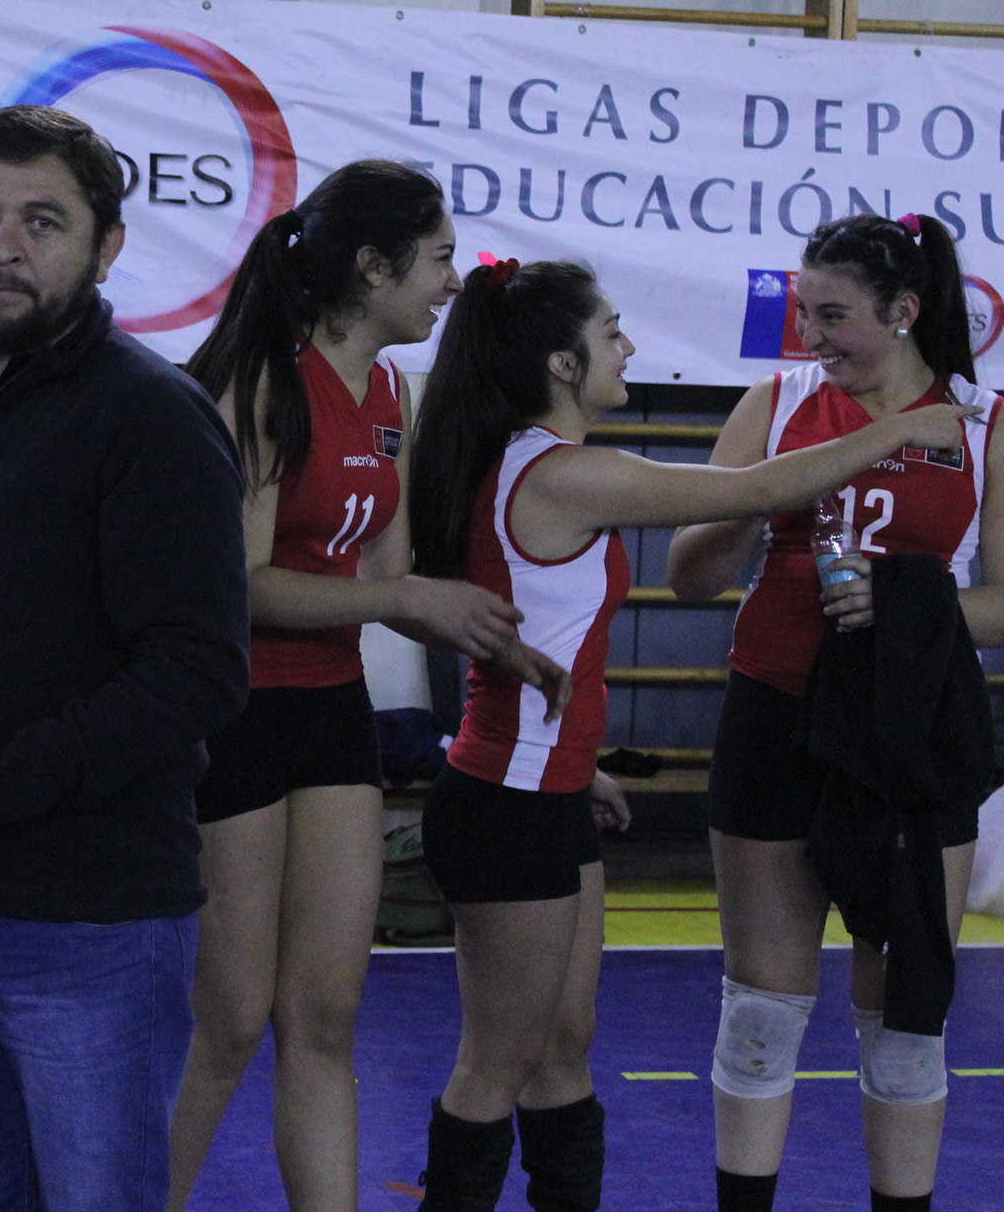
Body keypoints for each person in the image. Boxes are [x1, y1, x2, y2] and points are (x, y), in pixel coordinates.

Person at [403, 255, 978, 1212]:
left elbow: (530, 628)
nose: (628, 347)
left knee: (563, 1049)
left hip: (544, 785)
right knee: (498, 1060)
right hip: (507, 796)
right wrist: (901, 430)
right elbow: (749, 493)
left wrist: (575, 761)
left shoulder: (536, 464)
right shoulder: (564, 472)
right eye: (610, 333)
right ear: (561, 365)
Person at [0, 104, 249, 1212]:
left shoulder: (152, 416)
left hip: (93, 918)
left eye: (42, 221)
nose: (4, 246)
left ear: (106, 246)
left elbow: (200, 671)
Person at [168, 161, 567, 1212]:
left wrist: (492, 638)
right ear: (372, 267)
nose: (452, 282)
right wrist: (411, 598)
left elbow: (390, 577)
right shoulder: (262, 378)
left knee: (325, 1015)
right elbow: (242, 584)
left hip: (331, 709)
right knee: (230, 1017)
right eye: (439, 258)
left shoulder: (387, 391)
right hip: (238, 711)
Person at [668, 213, 1003, 1212]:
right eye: (802, 313)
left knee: (904, 1019)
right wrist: (757, 502)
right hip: (775, 713)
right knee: (760, 1011)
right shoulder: (776, 403)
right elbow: (690, 574)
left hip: (907, 732)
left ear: (903, 311)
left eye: (834, 315)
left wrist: (907, 604)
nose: (811, 335)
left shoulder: (979, 422)